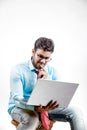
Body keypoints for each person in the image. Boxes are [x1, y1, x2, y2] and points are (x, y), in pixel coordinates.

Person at [8, 37, 85, 130]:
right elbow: (17, 100)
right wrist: (35, 108)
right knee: (32, 119)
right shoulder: (18, 70)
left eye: (47, 58)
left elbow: (58, 96)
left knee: (76, 112)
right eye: (40, 56)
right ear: (33, 51)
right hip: (21, 107)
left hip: (47, 107)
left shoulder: (53, 71)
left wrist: (45, 80)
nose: (43, 61)